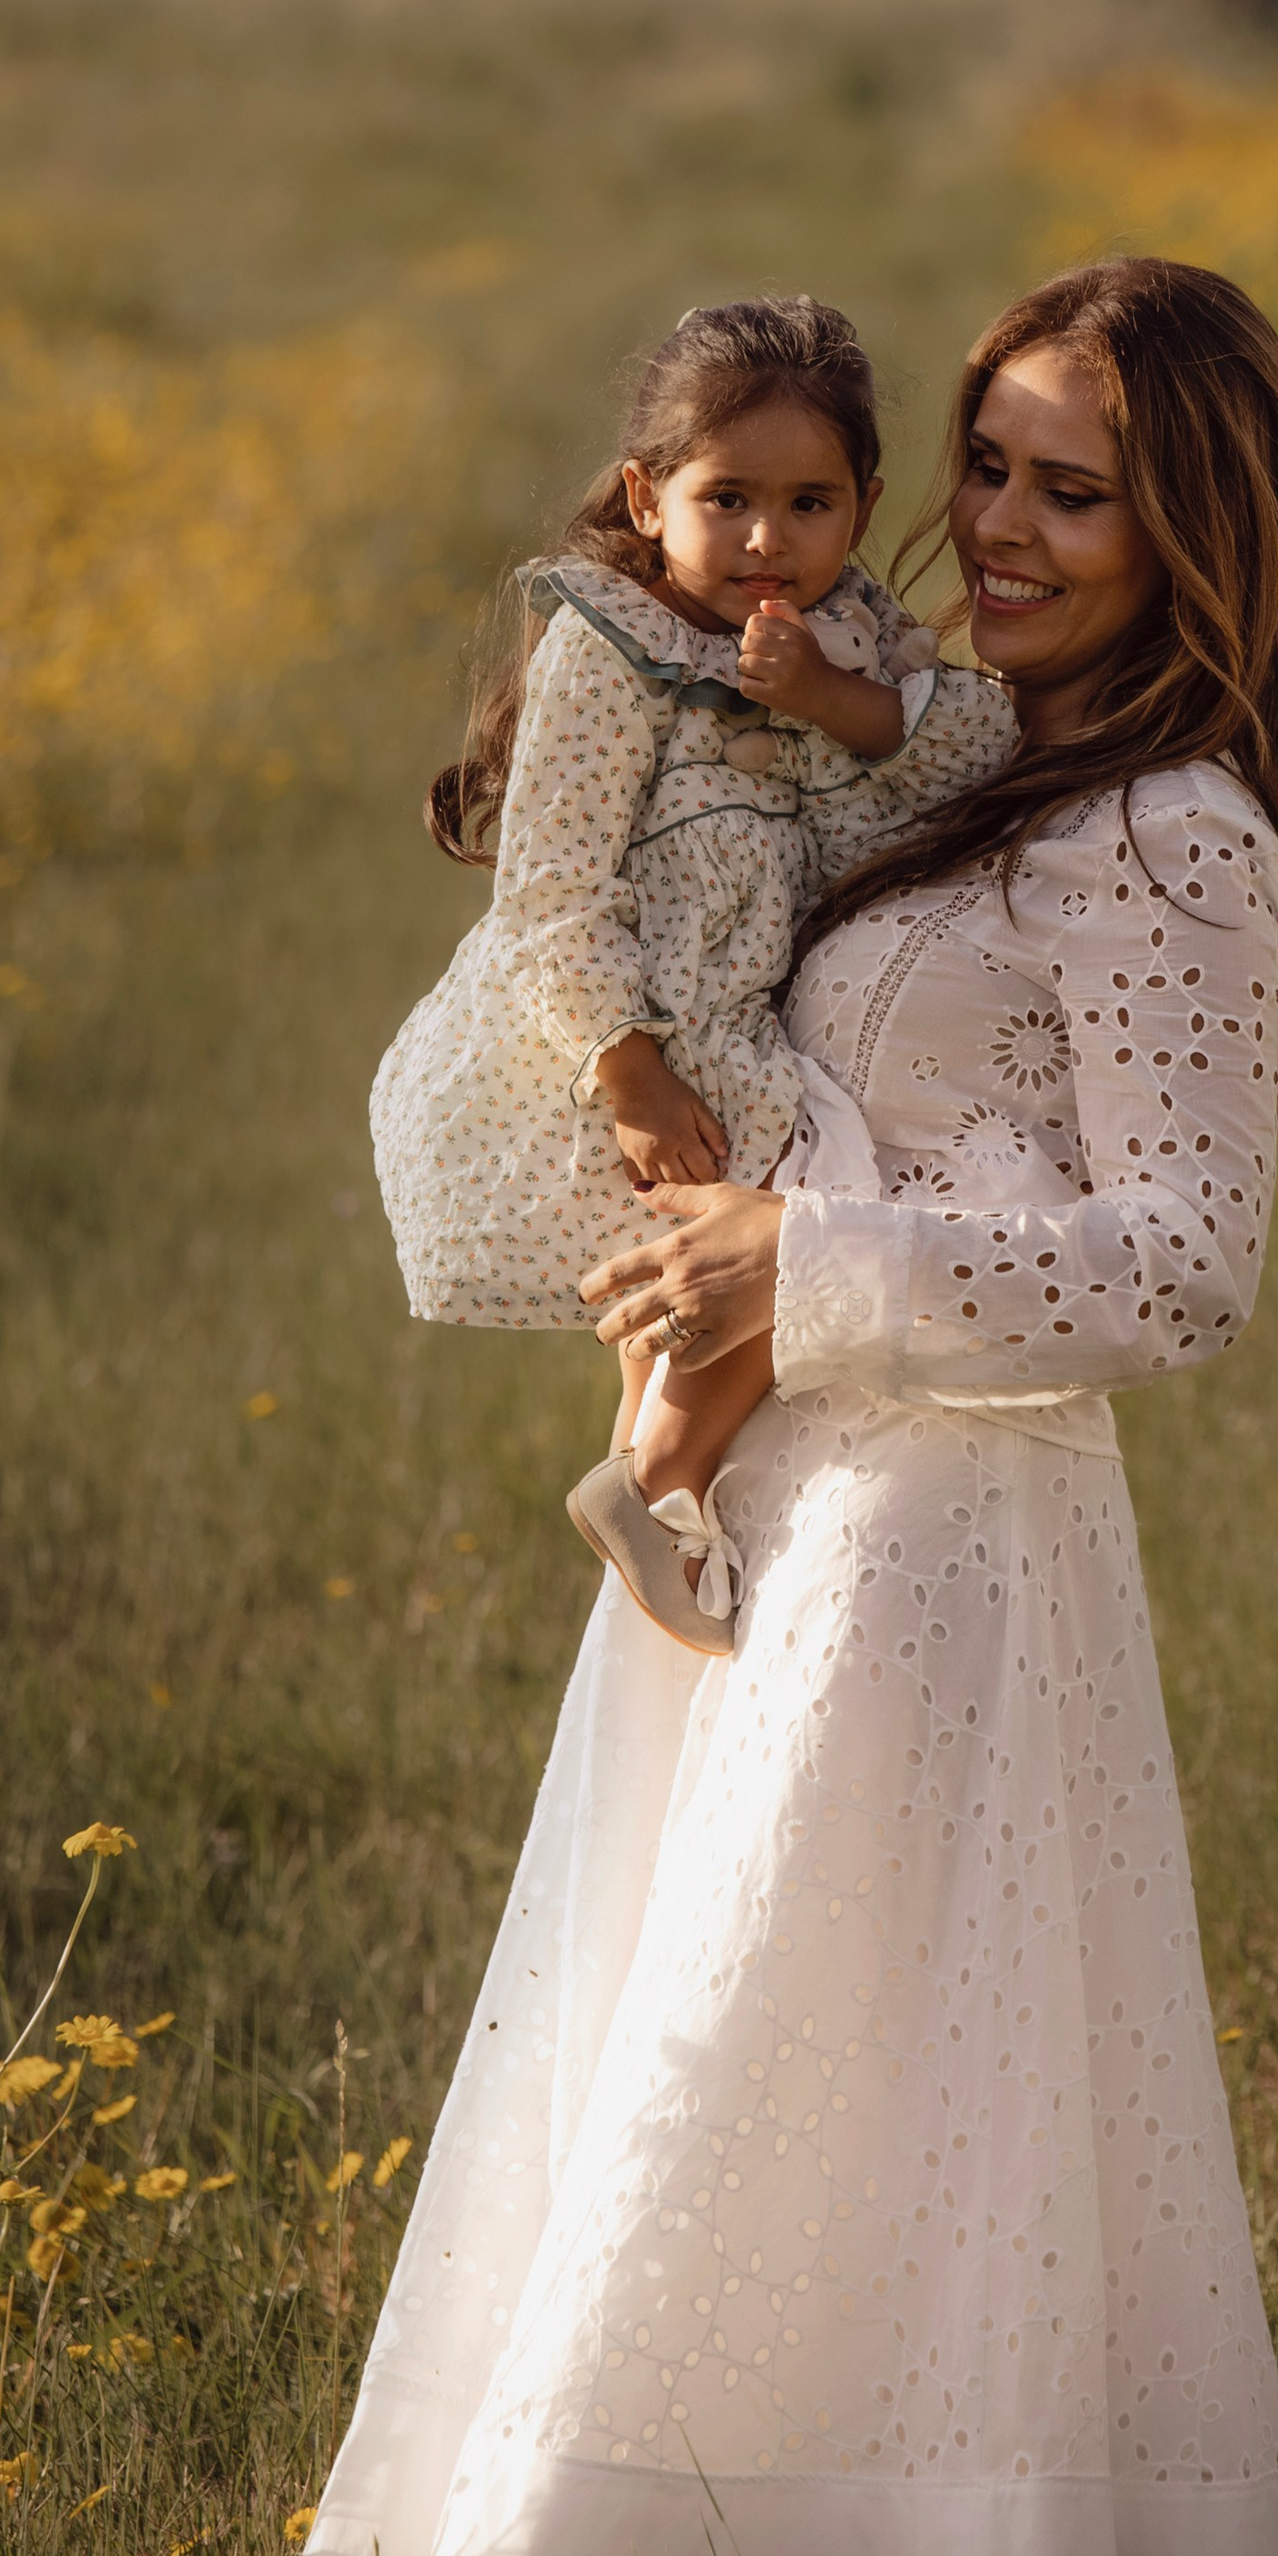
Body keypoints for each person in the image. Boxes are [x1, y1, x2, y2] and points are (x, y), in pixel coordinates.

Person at [311, 257, 1278, 2556]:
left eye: (1070, 489)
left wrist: (801, 1260)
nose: (995, 525)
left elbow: (1185, 1269)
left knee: (853, 2105)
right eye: (986, 463)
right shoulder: (960, 740)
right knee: (737, 2077)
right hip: (791, 1511)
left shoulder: (1174, 842)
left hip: (945, 1537)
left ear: (1190, 525)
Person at [370, 296, 1015, 1651]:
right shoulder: (616, 656)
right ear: (647, 495)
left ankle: (664, 1510)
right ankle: (655, 1482)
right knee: (812, 1225)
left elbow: (974, 749)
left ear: (864, 505)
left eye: (809, 502)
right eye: (728, 499)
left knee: (711, 1291)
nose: (769, 540)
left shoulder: (850, 638)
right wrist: (630, 1069)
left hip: (732, 1021)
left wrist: (830, 702)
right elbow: (551, 888)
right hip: (644, 1038)